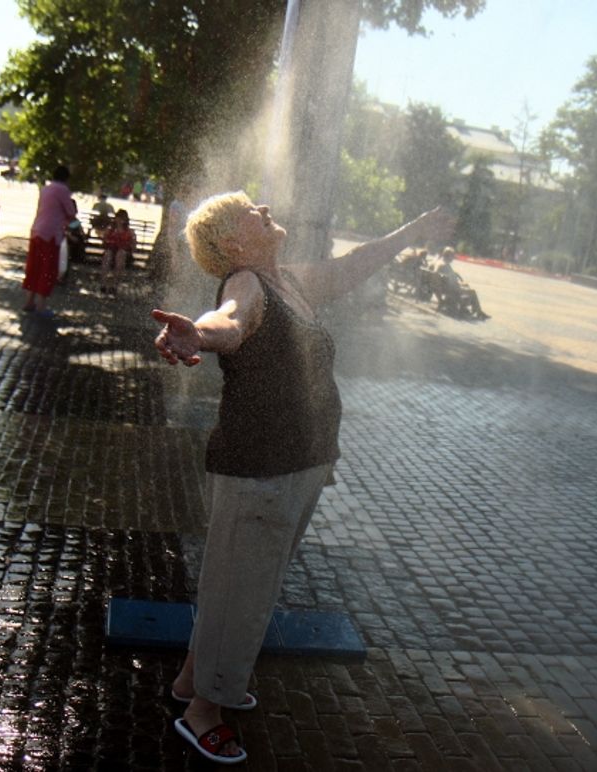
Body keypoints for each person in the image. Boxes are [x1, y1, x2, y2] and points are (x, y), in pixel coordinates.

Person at [151, 191, 452, 765]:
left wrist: (415, 226)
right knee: (245, 590)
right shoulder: (248, 283)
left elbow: (356, 263)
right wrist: (199, 333)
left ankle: (193, 679)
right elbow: (230, 322)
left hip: (297, 464)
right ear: (235, 243)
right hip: (260, 467)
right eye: (249, 212)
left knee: (238, 580)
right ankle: (203, 713)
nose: (263, 209)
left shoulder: (288, 281)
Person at [22, 165, 76, 317]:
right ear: (66, 178)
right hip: (51, 234)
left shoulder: (45, 189)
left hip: (36, 230)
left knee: (34, 267)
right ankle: (41, 305)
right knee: (47, 269)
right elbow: (70, 212)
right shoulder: (63, 190)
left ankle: (29, 301)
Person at [429, 247, 489, 319]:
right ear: (448, 256)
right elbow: (440, 275)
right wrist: (460, 284)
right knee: (472, 292)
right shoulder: (444, 265)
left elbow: (440, 275)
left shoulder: (440, 262)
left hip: (446, 287)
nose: (453, 258)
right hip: (450, 289)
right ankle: (478, 312)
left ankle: (470, 309)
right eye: (452, 256)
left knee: (467, 287)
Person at [99, 208, 136, 295]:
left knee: (120, 255)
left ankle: (114, 285)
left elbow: (133, 246)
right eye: (118, 218)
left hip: (123, 253)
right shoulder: (110, 230)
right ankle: (103, 284)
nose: (119, 220)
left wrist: (127, 247)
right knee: (107, 255)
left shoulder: (129, 232)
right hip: (111, 251)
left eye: (122, 219)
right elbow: (104, 242)